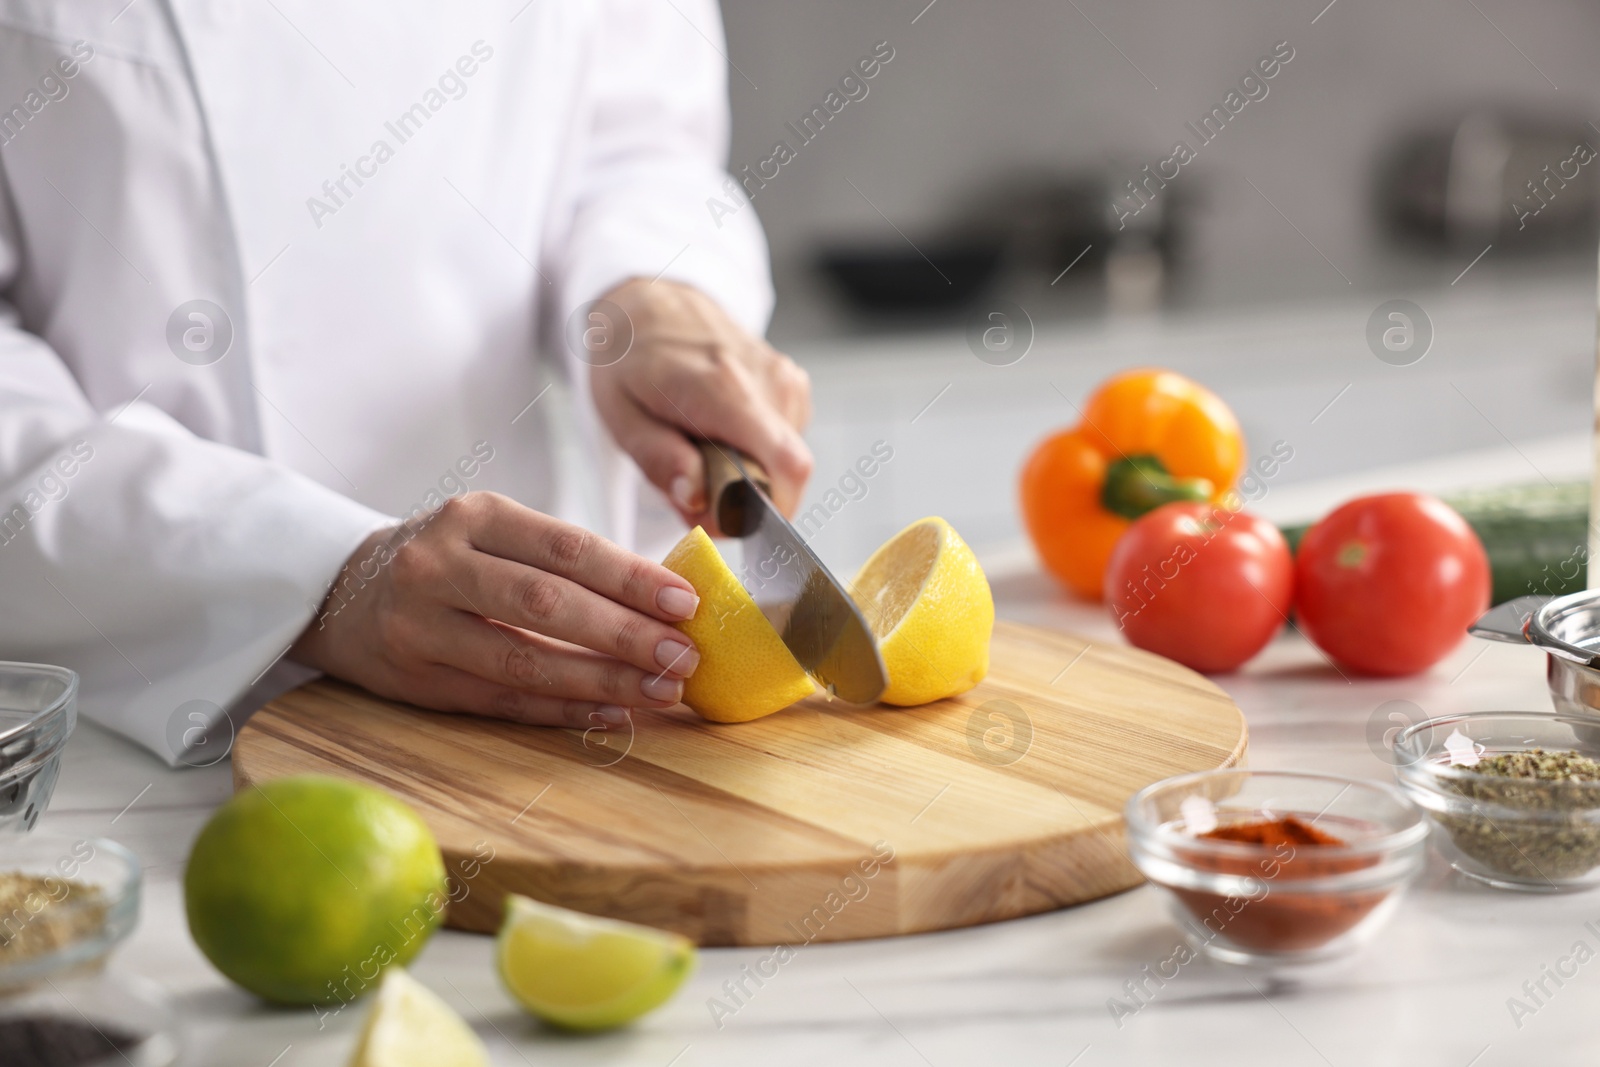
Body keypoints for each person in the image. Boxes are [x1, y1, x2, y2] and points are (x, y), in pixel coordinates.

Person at [0, 1, 810, 763]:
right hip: (118, 707)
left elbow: (637, 145)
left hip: (535, 698)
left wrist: (651, 297)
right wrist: (312, 576)